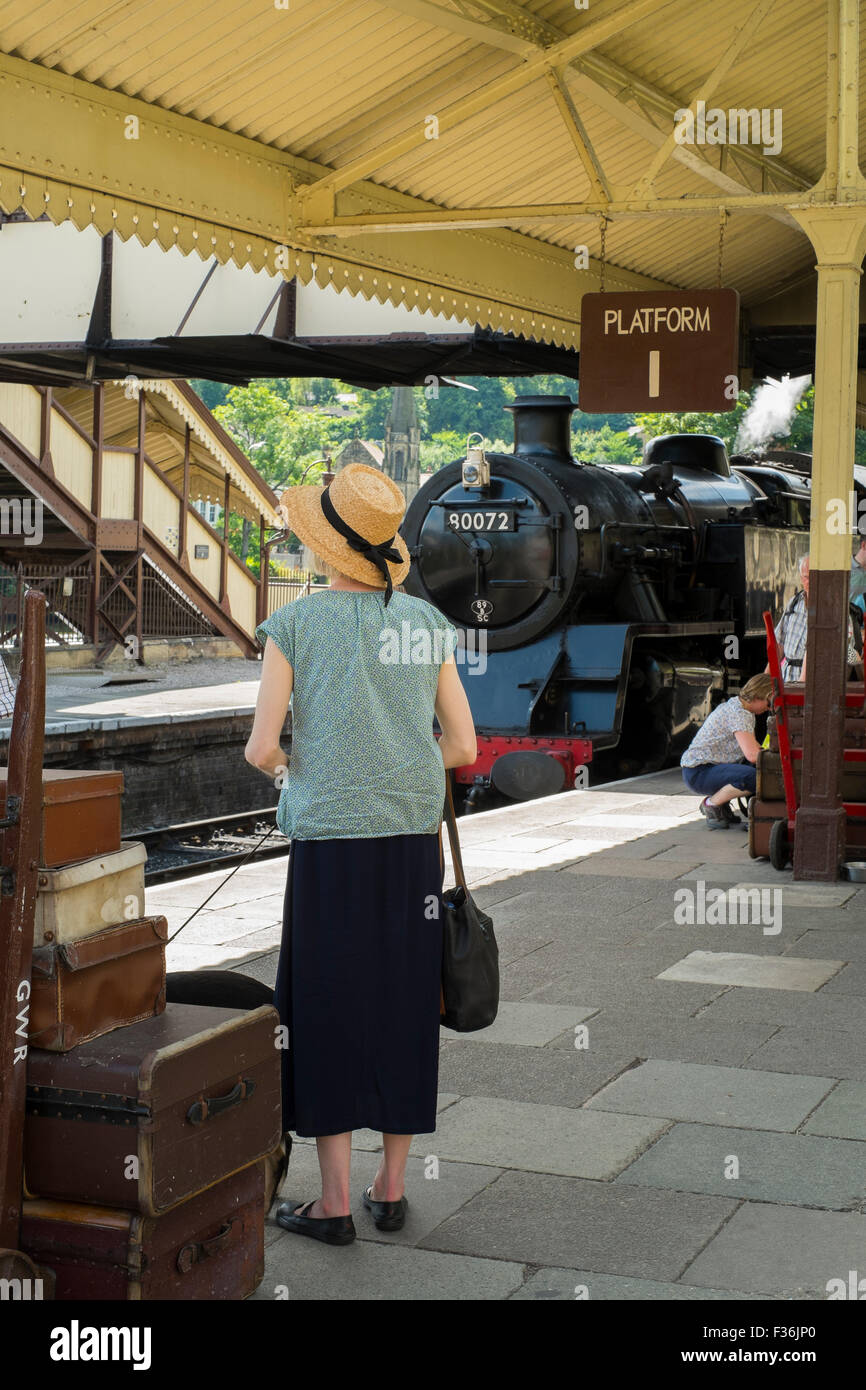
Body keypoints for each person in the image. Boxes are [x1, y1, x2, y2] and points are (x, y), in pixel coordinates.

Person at [245, 462, 476, 1246]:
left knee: (325, 1006)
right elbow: (466, 746)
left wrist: (302, 772)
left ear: (325, 547)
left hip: (329, 854)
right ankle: (391, 1188)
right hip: (410, 849)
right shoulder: (427, 624)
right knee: (406, 1001)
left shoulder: (297, 626)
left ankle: (334, 1201)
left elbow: (260, 747)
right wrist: (397, 761)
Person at [680, 673, 774, 829]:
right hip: (700, 771)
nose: (769, 709)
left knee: (758, 770)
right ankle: (712, 804)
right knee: (756, 777)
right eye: (769, 703)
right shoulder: (739, 714)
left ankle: (726, 806)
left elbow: (753, 748)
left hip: (704, 769)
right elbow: (751, 755)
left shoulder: (739, 707)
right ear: (758, 696)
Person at [767, 553, 860, 683]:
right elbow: (779, 645)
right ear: (800, 578)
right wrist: (765, 678)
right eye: (806, 577)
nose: (812, 582)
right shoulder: (794, 603)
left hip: (817, 685)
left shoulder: (838, 610)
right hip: (787, 680)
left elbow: (852, 658)